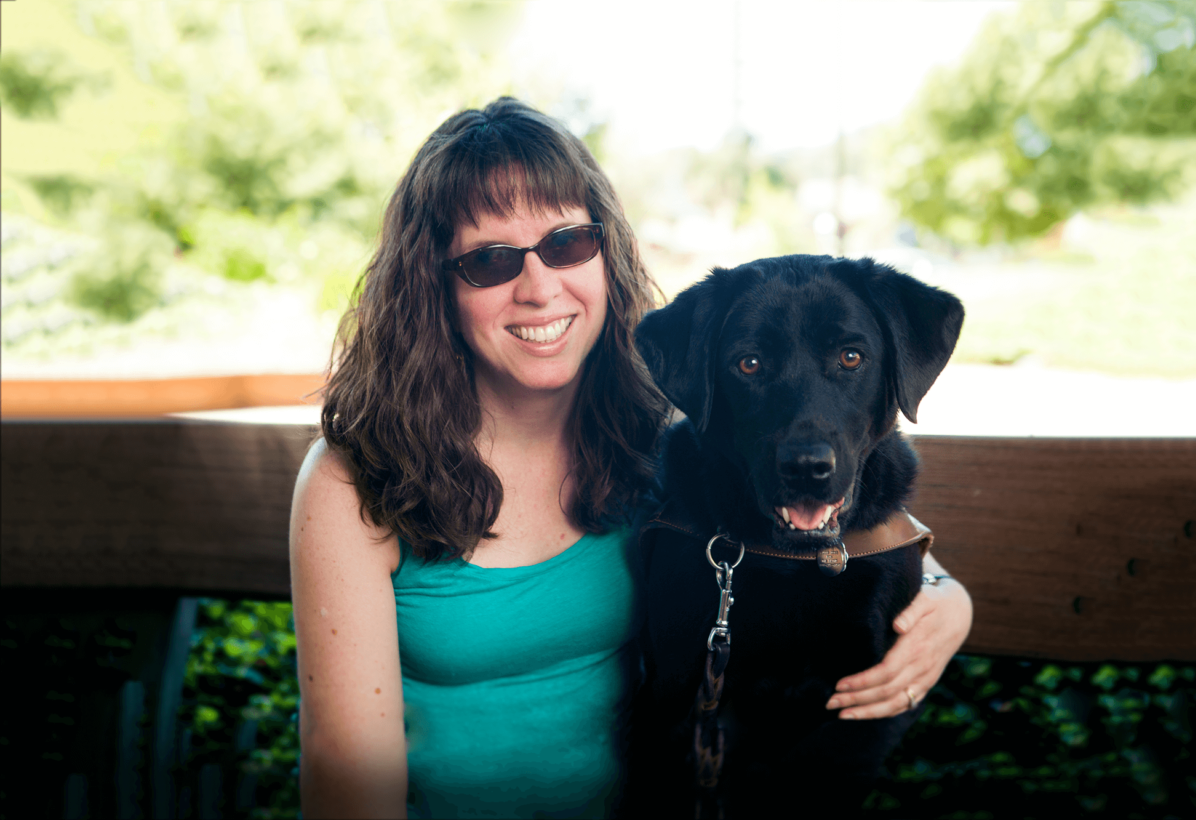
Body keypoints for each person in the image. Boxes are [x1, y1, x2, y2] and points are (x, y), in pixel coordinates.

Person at [288, 97, 973, 819]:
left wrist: (946, 594)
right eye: (490, 260)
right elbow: (347, 780)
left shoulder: (653, 439)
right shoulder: (357, 479)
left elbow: (829, 510)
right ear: (435, 286)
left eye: (565, 243)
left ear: (603, 254)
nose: (540, 288)